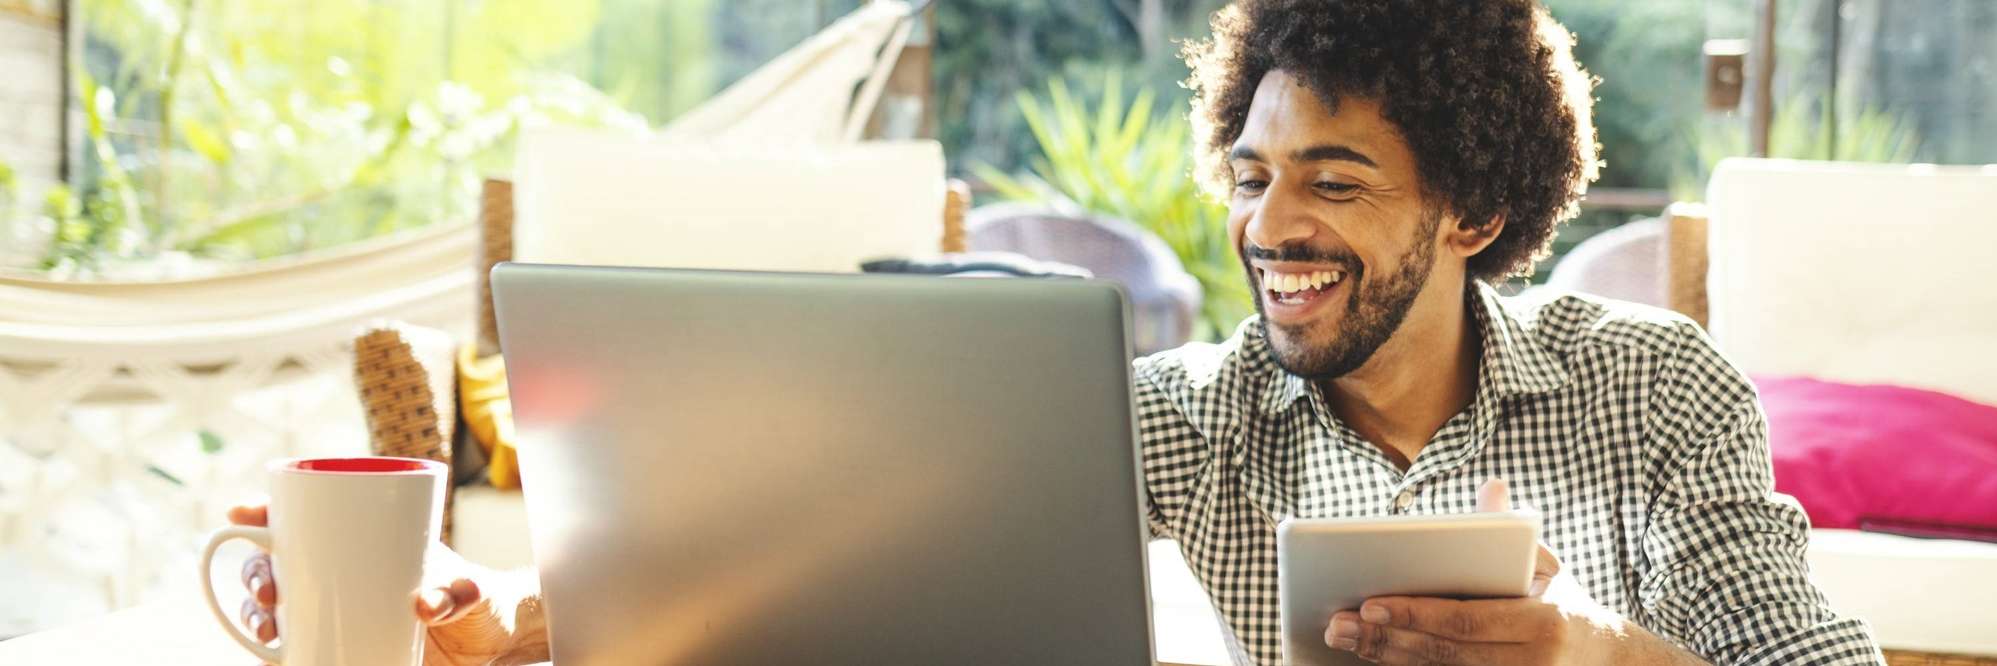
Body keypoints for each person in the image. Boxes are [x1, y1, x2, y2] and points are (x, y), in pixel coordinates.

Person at [229, 0, 1884, 663]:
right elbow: (818, 545)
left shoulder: (1654, 387)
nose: (1267, 226)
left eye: (1331, 178)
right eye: (1247, 175)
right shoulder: (1175, 411)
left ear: (1468, 210)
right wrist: (505, 618)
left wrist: (1597, 657)